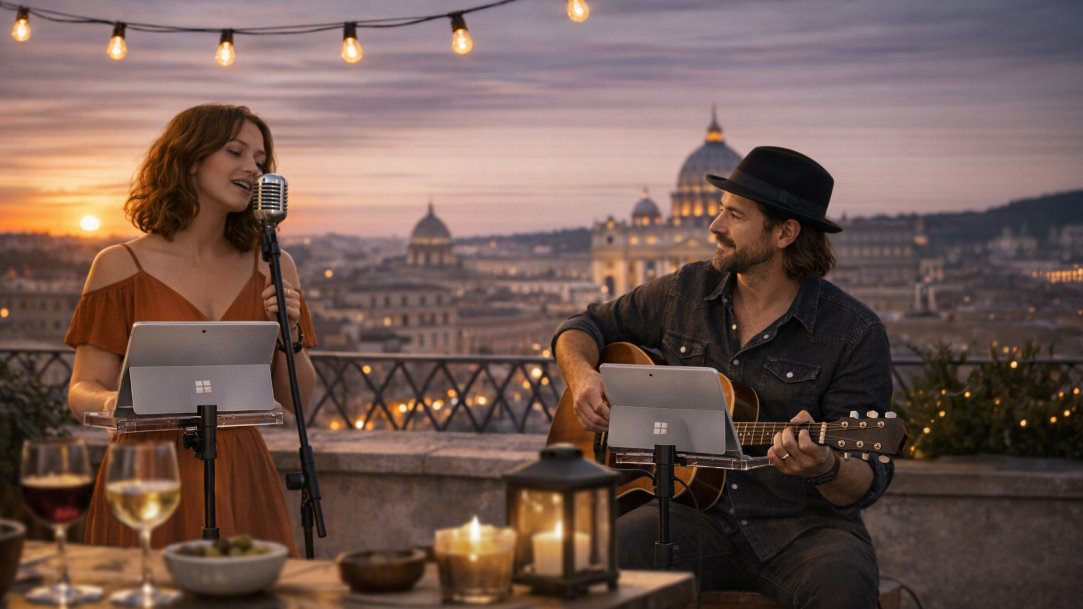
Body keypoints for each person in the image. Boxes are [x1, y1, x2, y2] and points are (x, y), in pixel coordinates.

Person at [552, 146, 893, 608]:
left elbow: (866, 478)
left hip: (806, 530)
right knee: (582, 570)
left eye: (734, 215)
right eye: (718, 212)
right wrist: (583, 378)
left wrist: (826, 466)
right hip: (689, 513)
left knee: (845, 590)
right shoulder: (683, 293)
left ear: (785, 233)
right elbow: (580, 327)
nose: (714, 227)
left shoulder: (854, 332)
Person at [65, 103, 317, 556]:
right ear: (191, 159)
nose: (252, 168)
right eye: (235, 152)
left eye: (260, 161)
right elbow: (81, 387)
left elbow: (296, 397)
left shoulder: (274, 267)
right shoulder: (120, 266)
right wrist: (120, 404)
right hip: (146, 472)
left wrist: (288, 335)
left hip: (240, 472)